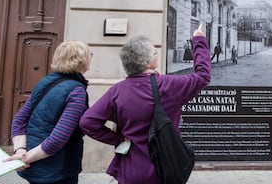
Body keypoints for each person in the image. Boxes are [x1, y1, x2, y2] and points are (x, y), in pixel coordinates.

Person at [79, 24, 211, 184]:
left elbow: (88, 122)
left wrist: (118, 139)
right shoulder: (169, 85)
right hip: (164, 169)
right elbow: (203, 75)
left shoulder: (117, 91)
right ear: (148, 62)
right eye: (155, 53)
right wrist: (198, 39)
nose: (157, 55)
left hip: (130, 170)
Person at [5, 40, 92, 184]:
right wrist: (24, 157)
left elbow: (19, 121)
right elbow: (59, 138)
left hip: (35, 162)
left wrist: (20, 151)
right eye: (90, 55)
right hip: (58, 169)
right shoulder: (77, 91)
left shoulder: (45, 82)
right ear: (82, 60)